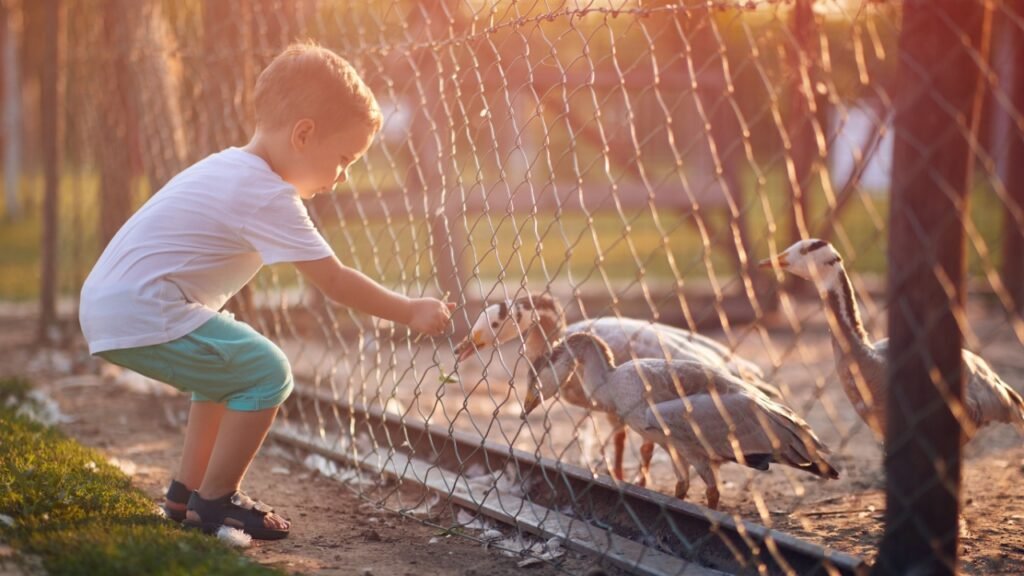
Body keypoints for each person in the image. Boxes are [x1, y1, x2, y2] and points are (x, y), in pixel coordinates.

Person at [78, 42, 453, 540]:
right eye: (344, 159)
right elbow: (334, 280)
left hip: (116, 304)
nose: (343, 177)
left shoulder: (231, 166)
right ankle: (216, 502)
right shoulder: (267, 194)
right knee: (267, 370)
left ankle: (185, 495)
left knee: (225, 374)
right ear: (303, 134)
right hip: (143, 309)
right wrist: (409, 310)